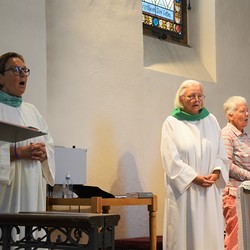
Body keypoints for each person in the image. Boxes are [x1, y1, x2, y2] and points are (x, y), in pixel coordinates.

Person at [160, 79, 229, 250]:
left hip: (209, 191)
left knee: (209, 235)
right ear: (181, 98)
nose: (196, 99)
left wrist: (217, 172)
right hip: (185, 192)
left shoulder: (211, 120)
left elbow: (221, 152)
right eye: (191, 96)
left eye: (200, 96)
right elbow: (171, 160)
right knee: (185, 236)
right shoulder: (172, 123)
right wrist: (194, 178)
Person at [0, 52, 55, 213]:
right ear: (1, 78)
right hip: (7, 193)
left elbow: (49, 144)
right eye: (16, 70)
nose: (23, 74)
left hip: (33, 190)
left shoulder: (32, 111)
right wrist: (17, 153)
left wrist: (45, 153)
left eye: (25, 70)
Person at [221, 96, 250, 250]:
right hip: (234, 195)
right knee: (236, 240)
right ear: (230, 115)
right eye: (242, 111)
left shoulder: (245, 135)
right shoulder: (227, 134)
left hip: (247, 194)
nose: (247, 114)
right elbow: (227, 164)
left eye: (247, 111)